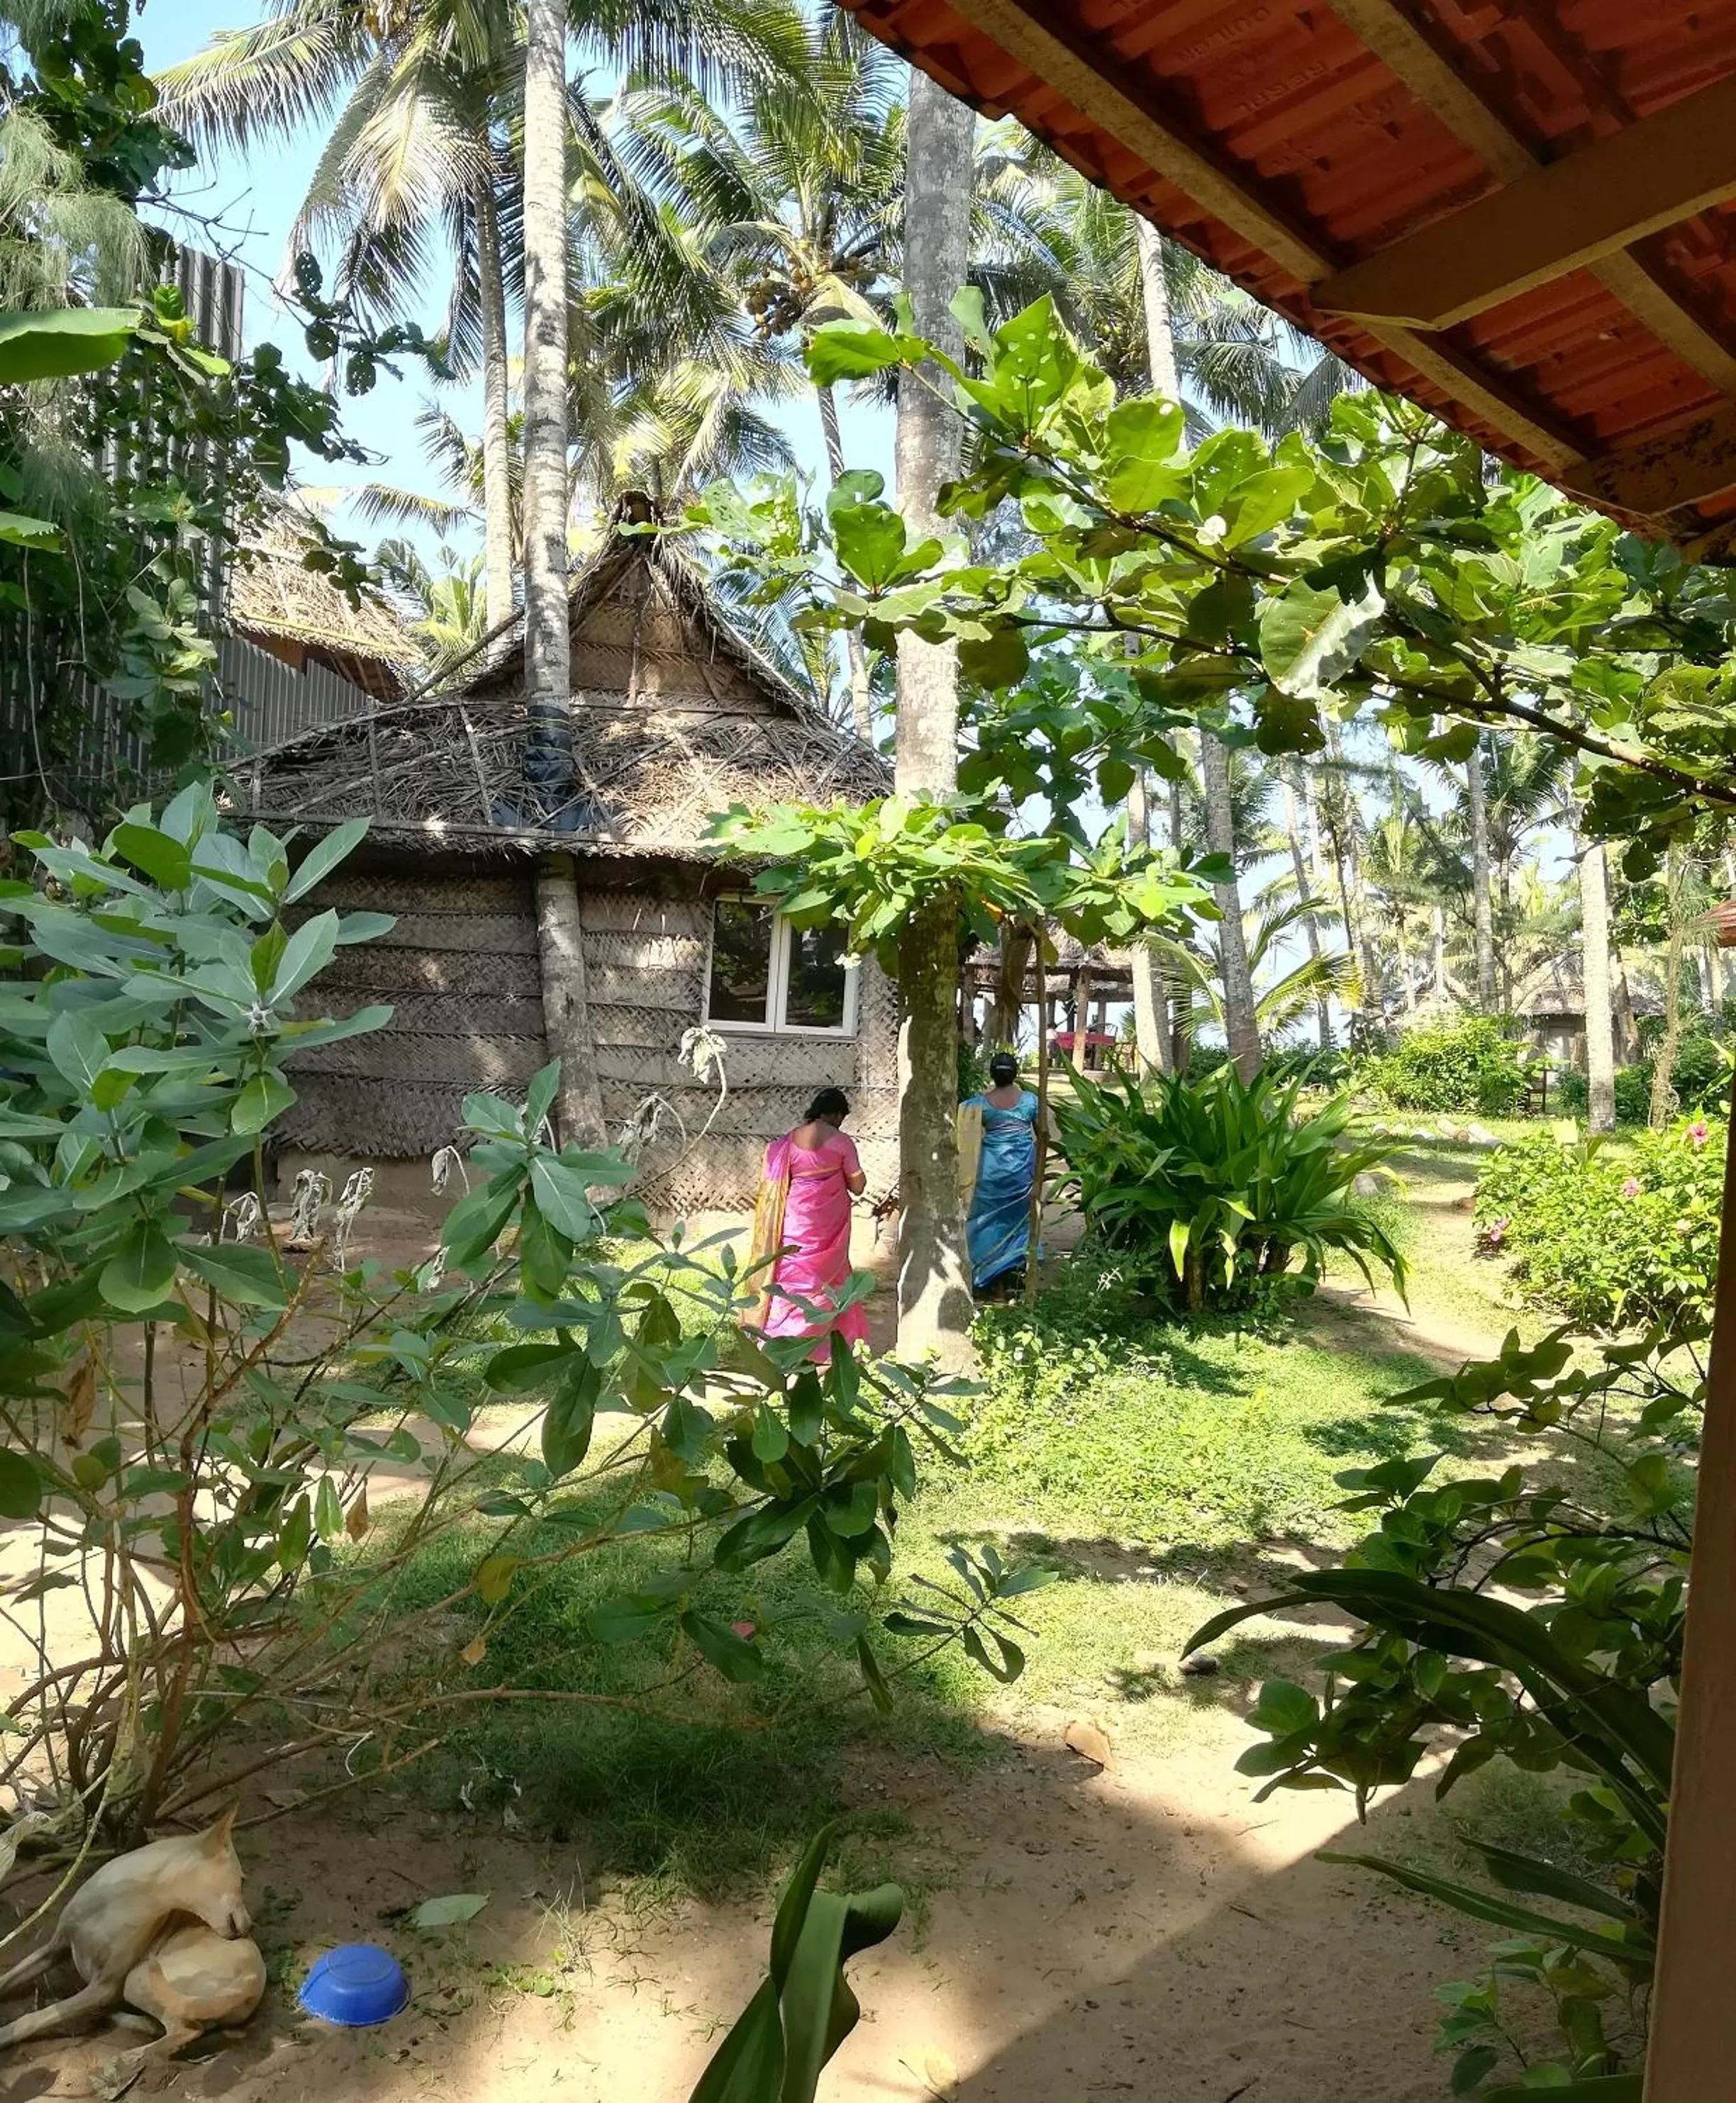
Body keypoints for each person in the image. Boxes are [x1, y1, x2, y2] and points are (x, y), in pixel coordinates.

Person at [749, 1086, 869, 1352]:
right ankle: (827, 1344)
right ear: (837, 1114)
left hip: (795, 1219)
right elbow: (858, 1186)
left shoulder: (788, 1142)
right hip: (830, 1226)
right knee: (831, 1277)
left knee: (790, 1271)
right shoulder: (842, 1142)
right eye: (841, 1117)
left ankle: (779, 1338)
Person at [958, 1052, 1041, 1297]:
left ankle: (988, 1277)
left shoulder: (978, 1105)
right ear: (1016, 1074)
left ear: (992, 1075)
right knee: (1018, 1223)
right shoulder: (1031, 1102)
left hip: (990, 1174)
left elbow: (963, 1125)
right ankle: (1013, 1277)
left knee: (987, 1222)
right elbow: (1042, 1134)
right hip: (1022, 1174)